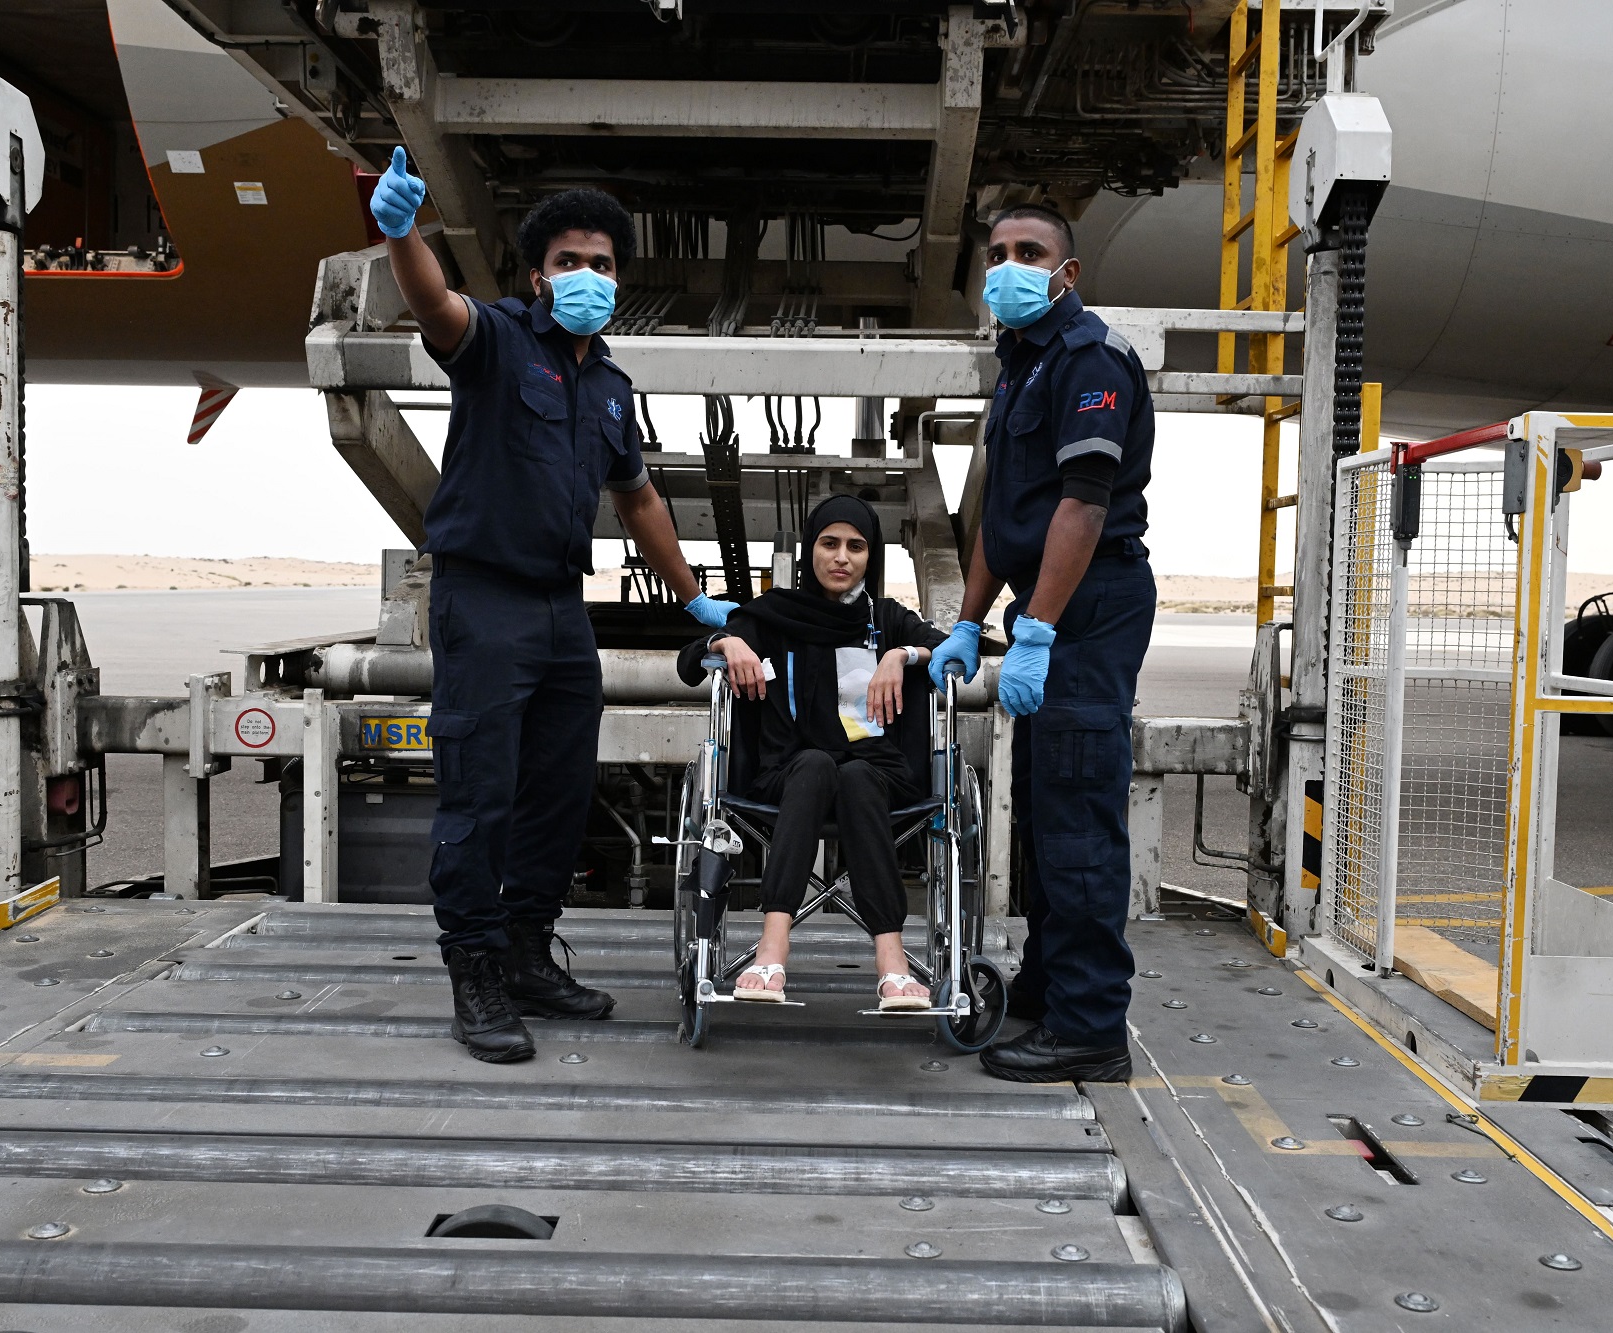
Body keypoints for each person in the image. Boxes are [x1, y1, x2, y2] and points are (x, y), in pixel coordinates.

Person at [369, 150, 739, 1064]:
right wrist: (403, 233)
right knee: (480, 793)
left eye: (602, 263)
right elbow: (436, 307)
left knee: (561, 792)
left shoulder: (610, 387)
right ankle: (475, 968)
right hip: (483, 599)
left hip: (562, 611)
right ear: (539, 276)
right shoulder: (497, 340)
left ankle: (528, 951)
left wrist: (695, 599)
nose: (587, 275)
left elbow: (639, 499)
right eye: (568, 261)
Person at [928, 203, 1156, 1084]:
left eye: (1030, 252)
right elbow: (1004, 515)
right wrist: (967, 619)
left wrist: (1038, 631)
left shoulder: (1090, 358)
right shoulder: (1020, 365)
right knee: (1043, 810)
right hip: (1049, 598)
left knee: (1078, 814)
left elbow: (1082, 507)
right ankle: (1054, 979)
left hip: (1088, 601)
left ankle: (1090, 1026)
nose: (1009, 266)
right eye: (997, 253)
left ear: (1069, 272)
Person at [677, 496, 946, 1009]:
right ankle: (772, 947)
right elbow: (689, 660)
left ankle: (892, 961)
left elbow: (952, 649)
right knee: (817, 764)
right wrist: (727, 644)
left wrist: (901, 654)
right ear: (810, 550)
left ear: (871, 556)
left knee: (856, 775)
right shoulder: (774, 615)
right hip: (788, 773)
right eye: (829, 544)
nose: (842, 557)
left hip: (876, 777)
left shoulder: (886, 618)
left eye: (856, 547)